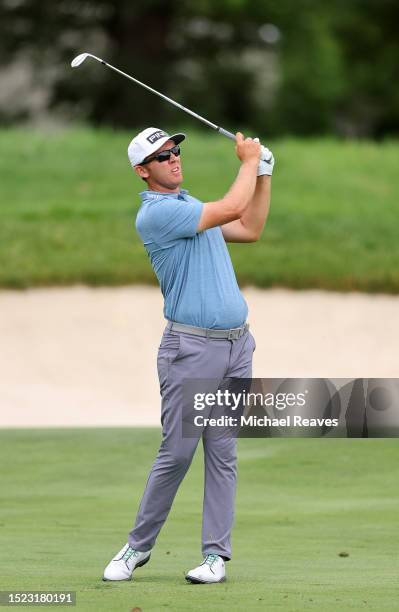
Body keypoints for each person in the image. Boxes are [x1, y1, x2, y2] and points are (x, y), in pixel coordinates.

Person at [103, 126, 274, 584]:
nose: (174, 159)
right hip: (191, 350)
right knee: (177, 453)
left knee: (223, 453)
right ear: (143, 172)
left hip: (237, 347)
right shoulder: (157, 215)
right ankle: (138, 547)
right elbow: (232, 206)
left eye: (176, 151)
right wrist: (247, 163)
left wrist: (264, 175)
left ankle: (215, 557)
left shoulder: (189, 206)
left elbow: (251, 227)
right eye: (162, 157)